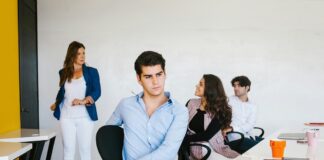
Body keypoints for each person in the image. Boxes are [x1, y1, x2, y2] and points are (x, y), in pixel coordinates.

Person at [106, 51, 188, 160]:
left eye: (159, 74)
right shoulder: (125, 105)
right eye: (148, 76)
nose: (155, 82)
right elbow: (107, 135)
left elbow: (168, 151)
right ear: (139, 79)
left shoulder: (180, 111)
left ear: (165, 74)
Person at [50, 41, 101, 160]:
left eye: (84, 53)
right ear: (72, 55)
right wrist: (56, 103)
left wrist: (83, 101)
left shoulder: (92, 72)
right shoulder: (63, 72)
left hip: (85, 117)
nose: (82, 56)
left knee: (84, 150)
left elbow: (97, 91)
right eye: (79, 53)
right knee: (68, 149)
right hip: (66, 117)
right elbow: (62, 91)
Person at [180, 74, 239, 159]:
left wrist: (183, 139)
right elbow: (181, 125)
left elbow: (207, 135)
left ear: (209, 89)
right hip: (197, 148)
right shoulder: (191, 103)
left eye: (200, 84)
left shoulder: (220, 110)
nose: (196, 85)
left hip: (217, 147)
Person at [226, 75, 261, 154]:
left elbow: (250, 124)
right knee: (263, 148)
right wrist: (231, 129)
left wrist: (233, 128)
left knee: (269, 143)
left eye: (239, 86)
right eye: (234, 86)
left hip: (249, 136)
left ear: (247, 87)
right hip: (235, 138)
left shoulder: (253, 106)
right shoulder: (228, 101)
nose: (236, 88)